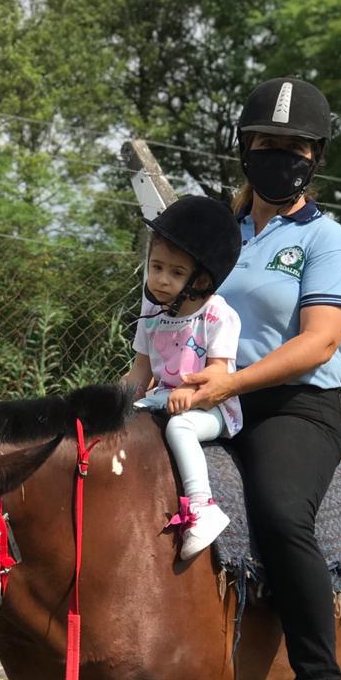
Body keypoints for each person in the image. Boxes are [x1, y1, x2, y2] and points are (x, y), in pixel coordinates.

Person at [180, 77, 341, 680]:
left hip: (291, 409)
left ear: (314, 157)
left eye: (294, 148)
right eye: (266, 144)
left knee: (284, 515)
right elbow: (168, 294)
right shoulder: (215, 231)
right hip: (201, 394)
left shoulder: (326, 241)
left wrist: (230, 382)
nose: (279, 157)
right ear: (244, 149)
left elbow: (318, 343)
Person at [122, 196, 243, 558]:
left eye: (176, 273)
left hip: (213, 408)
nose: (160, 280)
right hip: (164, 397)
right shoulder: (152, 310)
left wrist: (191, 398)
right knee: (129, 419)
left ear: (201, 279)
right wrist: (114, 404)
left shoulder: (218, 315)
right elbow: (140, 370)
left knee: (180, 428)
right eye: (156, 267)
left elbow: (219, 376)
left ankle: (202, 508)